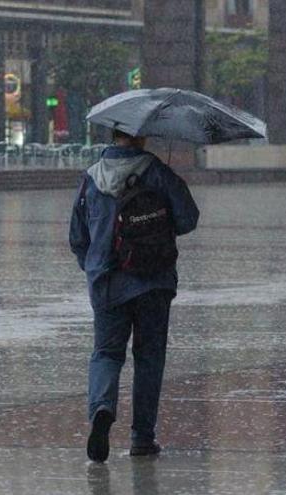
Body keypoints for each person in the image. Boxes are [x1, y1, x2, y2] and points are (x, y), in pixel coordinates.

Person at [69, 129, 199, 463]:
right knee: (149, 358)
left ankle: (101, 409)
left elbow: (77, 237)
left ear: (113, 135)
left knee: (106, 354)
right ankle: (143, 437)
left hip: (106, 283)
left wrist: (94, 267)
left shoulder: (91, 178)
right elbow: (189, 218)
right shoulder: (156, 171)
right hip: (153, 281)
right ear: (141, 137)